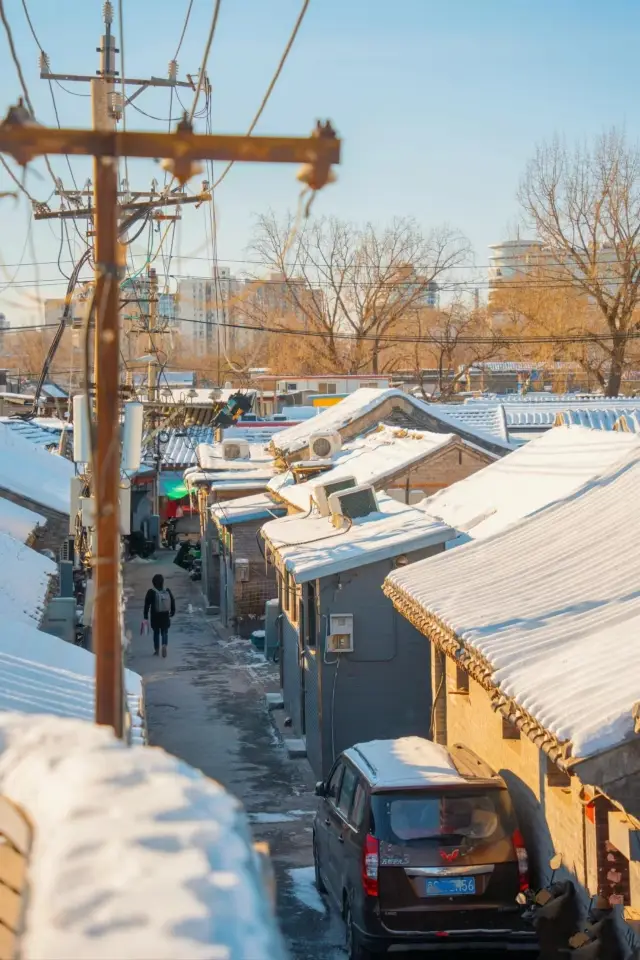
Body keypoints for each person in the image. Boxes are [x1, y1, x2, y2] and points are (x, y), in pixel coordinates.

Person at [143, 573, 176, 657]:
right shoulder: (167, 590)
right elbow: (172, 600)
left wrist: (145, 615)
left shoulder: (151, 592)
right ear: (162, 582)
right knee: (165, 631)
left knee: (156, 633)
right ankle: (164, 645)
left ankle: (157, 650)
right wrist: (172, 611)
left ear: (153, 582)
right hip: (165, 615)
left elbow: (147, 604)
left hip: (155, 616)